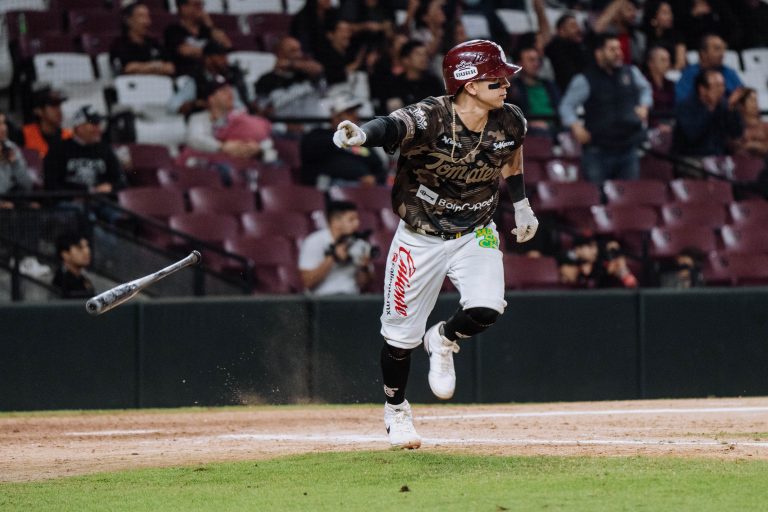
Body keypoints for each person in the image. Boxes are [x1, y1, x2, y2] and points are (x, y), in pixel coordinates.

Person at [332, 40, 538, 449]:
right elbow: (392, 126)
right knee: (399, 337)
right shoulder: (431, 117)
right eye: (495, 78)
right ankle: (396, 412)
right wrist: (360, 135)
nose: (506, 84)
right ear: (469, 84)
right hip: (420, 236)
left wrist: (523, 205)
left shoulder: (510, 120)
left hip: (475, 230)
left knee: (487, 307)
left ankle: (443, 338)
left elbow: (511, 158)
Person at [559, 33, 652, 185]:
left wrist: (644, 105)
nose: (618, 53)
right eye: (612, 49)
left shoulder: (631, 72)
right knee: (598, 197)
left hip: (628, 148)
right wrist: (575, 126)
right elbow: (566, 106)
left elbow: (646, 89)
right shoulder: (584, 79)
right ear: (599, 53)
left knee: (629, 197)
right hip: (598, 150)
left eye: (619, 49)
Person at [300, 94, 386, 187]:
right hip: (330, 186)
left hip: (362, 188)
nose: (355, 117)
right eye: (349, 113)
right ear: (335, 116)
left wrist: (374, 179)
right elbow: (309, 154)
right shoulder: (319, 136)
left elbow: (379, 168)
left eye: (355, 113)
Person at [186, 75, 276, 162]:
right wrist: (223, 146)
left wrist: (258, 149)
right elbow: (196, 139)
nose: (230, 93)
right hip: (212, 166)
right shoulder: (198, 118)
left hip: (244, 165)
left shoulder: (239, 117)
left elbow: (267, 141)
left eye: (230, 89)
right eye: (224, 91)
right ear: (211, 98)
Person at [298, 200, 375, 295]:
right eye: (351, 220)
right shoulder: (314, 241)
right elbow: (308, 282)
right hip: (322, 299)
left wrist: (364, 267)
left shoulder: (359, 243)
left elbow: (362, 285)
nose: (357, 223)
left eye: (357, 219)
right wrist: (333, 257)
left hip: (351, 299)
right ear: (335, 222)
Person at [43, 106, 124, 194]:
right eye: (93, 124)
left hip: (102, 202)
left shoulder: (105, 149)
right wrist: (76, 194)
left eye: (98, 124)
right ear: (79, 127)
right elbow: (51, 183)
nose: (98, 129)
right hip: (69, 203)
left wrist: (110, 187)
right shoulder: (59, 149)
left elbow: (121, 181)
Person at [673, 69, 743, 158]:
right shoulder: (686, 107)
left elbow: (737, 133)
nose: (722, 90)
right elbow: (692, 135)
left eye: (723, 85)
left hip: (719, 157)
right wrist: (710, 108)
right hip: (691, 157)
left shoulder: (723, 106)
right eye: (717, 86)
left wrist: (732, 109)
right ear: (702, 89)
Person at [167, 41, 248, 116]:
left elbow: (246, 101)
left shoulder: (234, 74)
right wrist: (196, 104)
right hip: (209, 121)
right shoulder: (197, 79)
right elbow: (173, 105)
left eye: (225, 56)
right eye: (220, 56)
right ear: (207, 59)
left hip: (239, 119)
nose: (225, 60)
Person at [254, 36, 325, 118]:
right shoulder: (266, 80)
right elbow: (262, 111)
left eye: (299, 50)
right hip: (283, 126)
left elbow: (318, 69)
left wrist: (290, 64)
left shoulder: (306, 74)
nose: (299, 55)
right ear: (280, 53)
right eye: (293, 51)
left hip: (316, 124)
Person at [164, 0, 231, 77]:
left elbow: (227, 46)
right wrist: (212, 54)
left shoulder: (207, 31)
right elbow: (184, 51)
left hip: (212, 74)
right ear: (183, 8)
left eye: (201, 5)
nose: (201, 8)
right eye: (196, 5)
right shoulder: (173, 30)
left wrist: (210, 26)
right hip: (187, 74)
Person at [506, 44, 560, 136]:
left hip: (556, 127)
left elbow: (560, 109)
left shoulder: (549, 85)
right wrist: (530, 124)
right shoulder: (513, 88)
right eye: (531, 60)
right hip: (531, 131)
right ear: (520, 63)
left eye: (537, 60)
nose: (536, 63)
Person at [109, 2, 175, 76]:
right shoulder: (119, 44)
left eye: (147, 17)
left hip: (159, 83)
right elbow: (128, 69)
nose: (147, 22)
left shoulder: (154, 43)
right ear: (128, 20)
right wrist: (157, 66)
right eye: (141, 16)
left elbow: (170, 68)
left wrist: (141, 68)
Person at [675, 33, 742, 104]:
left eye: (723, 49)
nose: (722, 54)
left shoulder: (729, 72)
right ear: (703, 53)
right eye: (717, 49)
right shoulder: (689, 74)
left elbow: (743, 94)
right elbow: (681, 101)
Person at [383, 40, 444, 113]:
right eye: (418, 54)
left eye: (425, 54)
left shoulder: (433, 82)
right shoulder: (395, 83)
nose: (424, 58)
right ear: (406, 60)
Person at [22, 87, 72, 158]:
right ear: (38, 111)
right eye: (53, 106)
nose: (59, 111)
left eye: (59, 106)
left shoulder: (68, 136)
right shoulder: (24, 134)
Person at [544, 13, 589, 94]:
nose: (578, 29)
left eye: (578, 26)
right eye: (573, 26)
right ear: (561, 31)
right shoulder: (556, 47)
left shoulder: (582, 46)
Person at [592, 0, 646, 66]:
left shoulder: (637, 36)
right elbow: (597, 28)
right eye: (629, 10)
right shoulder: (608, 33)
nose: (634, 13)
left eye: (634, 10)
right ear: (617, 12)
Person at [0, 112, 34, 209]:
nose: (3, 128)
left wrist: (15, 164)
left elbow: (27, 186)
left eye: (3, 123)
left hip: (11, 205)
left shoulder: (11, 147)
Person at [641, 0, 686, 70]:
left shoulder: (677, 35)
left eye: (670, 13)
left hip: (672, 74)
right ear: (654, 17)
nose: (670, 16)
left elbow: (681, 62)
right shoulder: (643, 36)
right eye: (665, 13)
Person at [52, 232, 95, 299]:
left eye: (87, 246)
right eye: (80, 248)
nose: (87, 251)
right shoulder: (61, 281)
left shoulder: (83, 278)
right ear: (65, 254)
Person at [733, 88, 768, 158]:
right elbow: (735, 147)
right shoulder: (734, 127)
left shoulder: (765, 126)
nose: (756, 104)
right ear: (741, 105)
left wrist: (753, 145)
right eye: (752, 100)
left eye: (756, 100)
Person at [644, 46, 675, 117]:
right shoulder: (643, 83)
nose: (668, 64)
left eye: (668, 60)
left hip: (670, 123)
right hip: (651, 124)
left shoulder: (671, 84)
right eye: (663, 60)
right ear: (650, 63)